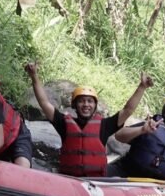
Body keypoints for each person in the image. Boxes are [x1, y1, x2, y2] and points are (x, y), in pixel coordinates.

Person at [24, 62, 154, 178]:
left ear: (95, 106)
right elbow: (44, 102)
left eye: (90, 101)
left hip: (95, 182)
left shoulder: (105, 125)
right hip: (70, 180)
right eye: (81, 101)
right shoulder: (63, 122)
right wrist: (34, 76)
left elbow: (128, 110)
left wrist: (142, 87)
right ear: (74, 105)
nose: (86, 104)